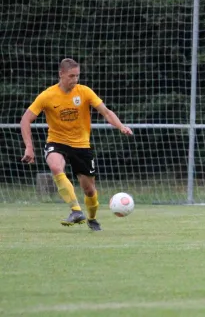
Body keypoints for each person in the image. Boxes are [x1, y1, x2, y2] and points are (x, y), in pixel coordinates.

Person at [20, 58, 133, 231]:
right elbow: (26, 119)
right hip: (57, 141)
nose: (75, 80)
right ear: (61, 74)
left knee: (89, 190)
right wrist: (29, 146)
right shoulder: (47, 95)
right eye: (71, 76)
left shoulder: (85, 92)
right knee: (56, 167)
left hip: (81, 145)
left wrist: (121, 126)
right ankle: (75, 210)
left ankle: (92, 219)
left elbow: (106, 112)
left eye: (77, 76)